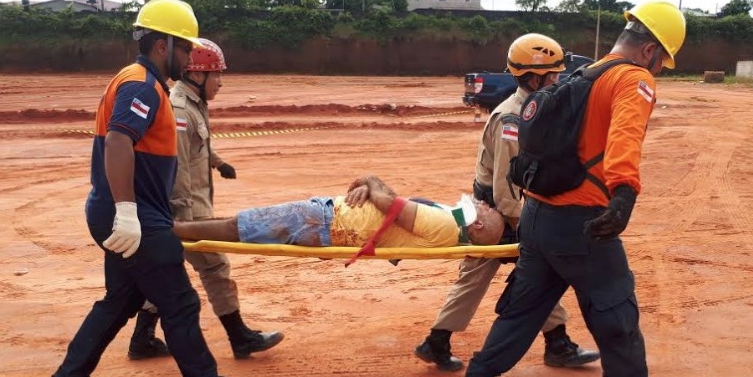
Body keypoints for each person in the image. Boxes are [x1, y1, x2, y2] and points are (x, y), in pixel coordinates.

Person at [445, 1, 687, 377]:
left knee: (521, 312)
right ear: (650, 50)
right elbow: (625, 139)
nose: (660, 69)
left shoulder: (582, 74)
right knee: (616, 309)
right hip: (582, 222)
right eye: (662, 60)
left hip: (538, 215)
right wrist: (623, 194)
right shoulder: (633, 79)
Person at [41, 0, 264, 377]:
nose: (189, 57)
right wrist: (127, 212)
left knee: (120, 301)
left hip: (126, 213)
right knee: (180, 304)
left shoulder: (144, 82)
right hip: (135, 217)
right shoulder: (141, 85)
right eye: (185, 48)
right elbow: (118, 140)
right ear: (163, 45)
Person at [415, 33, 600, 372]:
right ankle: (439, 342)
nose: (557, 81)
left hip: (501, 212)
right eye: (553, 75)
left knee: (526, 276)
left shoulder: (530, 111)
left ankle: (554, 343)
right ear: (532, 78)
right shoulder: (511, 120)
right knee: (505, 276)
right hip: (495, 215)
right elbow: (504, 186)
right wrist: (527, 223)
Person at [127, 38, 284, 361]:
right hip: (185, 209)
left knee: (165, 271)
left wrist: (218, 163)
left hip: (187, 208)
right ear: (197, 75)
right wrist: (185, 221)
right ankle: (240, 337)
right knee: (215, 266)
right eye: (217, 74)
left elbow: (199, 145)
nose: (221, 82)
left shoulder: (194, 104)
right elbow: (179, 166)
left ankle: (142, 339)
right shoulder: (180, 109)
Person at [171, 175, 505, 249]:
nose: (486, 204)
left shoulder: (445, 223)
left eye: (488, 211)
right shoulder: (449, 224)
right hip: (329, 220)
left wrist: (371, 182)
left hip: (326, 220)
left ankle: (169, 230)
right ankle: (175, 227)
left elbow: (390, 203)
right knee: (240, 225)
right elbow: (389, 200)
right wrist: (372, 187)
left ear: (477, 227)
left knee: (237, 227)